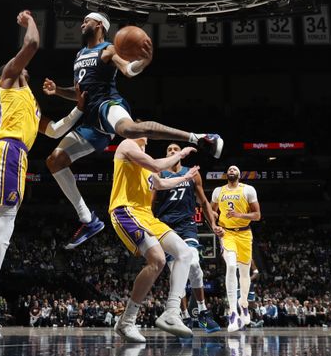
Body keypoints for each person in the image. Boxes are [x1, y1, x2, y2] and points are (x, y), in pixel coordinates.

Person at [0, 10, 86, 340]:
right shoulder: (9, 81)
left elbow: (54, 131)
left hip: (13, 156)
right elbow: (34, 42)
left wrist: (80, 107)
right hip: (9, 151)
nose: (23, 62)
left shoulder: (32, 103)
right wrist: (28, 21)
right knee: (3, 226)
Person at [43, 11, 224, 250]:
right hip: (89, 121)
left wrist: (144, 63)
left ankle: (199, 138)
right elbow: (78, 93)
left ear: (99, 25)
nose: (82, 24)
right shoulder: (79, 54)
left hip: (108, 105)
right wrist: (58, 91)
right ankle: (88, 220)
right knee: (54, 161)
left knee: (129, 129)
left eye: (86, 20)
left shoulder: (107, 49)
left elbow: (128, 70)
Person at [109, 136, 199, 343]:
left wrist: (186, 178)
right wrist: (180, 154)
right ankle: (126, 321)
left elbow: (160, 183)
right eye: (145, 136)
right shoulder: (127, 145)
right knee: (158, 260)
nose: (147, 141)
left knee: (185, 253)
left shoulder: (146, 161)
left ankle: (172, 312)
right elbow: (157, 164)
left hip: (147, 216)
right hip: (126, 210)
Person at [151, 142, 221, 333]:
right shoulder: (159, 173)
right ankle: (184, 316)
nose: (173, 151)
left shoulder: (192, 173)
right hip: (166, 226)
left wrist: (213, 224)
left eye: (175, 149)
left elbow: (204, 201)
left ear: (181, 154)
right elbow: (150, 205)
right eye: (169, 150)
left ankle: (203, 312)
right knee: (176, 272)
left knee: (194, 264)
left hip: (186, 225)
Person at [211, 165, 261, 332]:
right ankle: (233, 313)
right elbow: (211, 212)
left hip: (245, 234)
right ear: (227, 174)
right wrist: (214, 224)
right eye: (229, 169)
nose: (231, 170)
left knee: (245, 273)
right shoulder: (218, 191)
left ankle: (244, 304)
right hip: (227, 234)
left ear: (239, 174)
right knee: (231, 267)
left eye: (235, 169)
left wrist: (239, 215)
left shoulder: (248, 190)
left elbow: (257, 215)